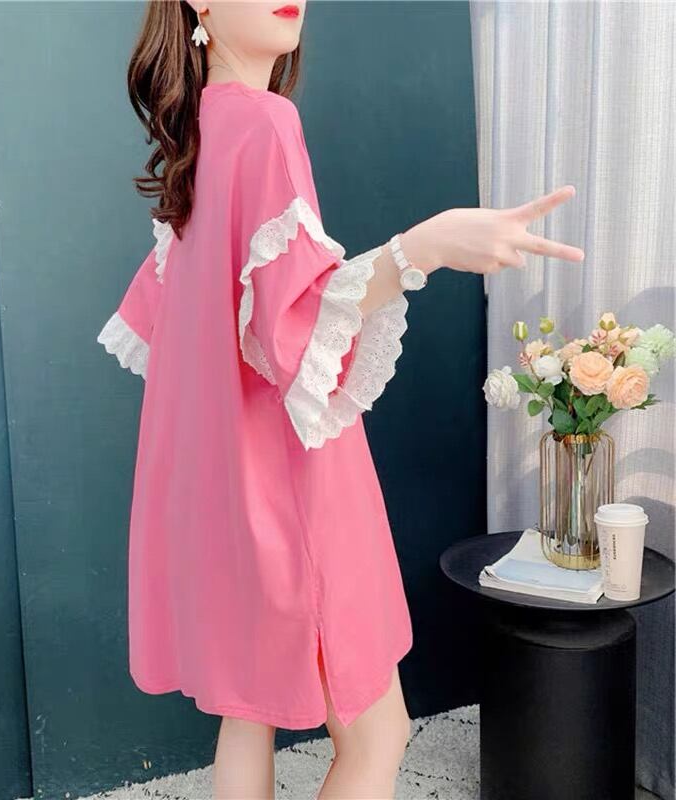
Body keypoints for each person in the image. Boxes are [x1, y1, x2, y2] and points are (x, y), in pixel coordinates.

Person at [96, 2, 585, 798]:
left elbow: (191, 341)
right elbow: (298, 315)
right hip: (295, 491)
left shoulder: (201, 136)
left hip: (224, 498)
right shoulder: (265, 123)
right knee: (378, 733)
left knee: (246, 712)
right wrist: (427, 246)